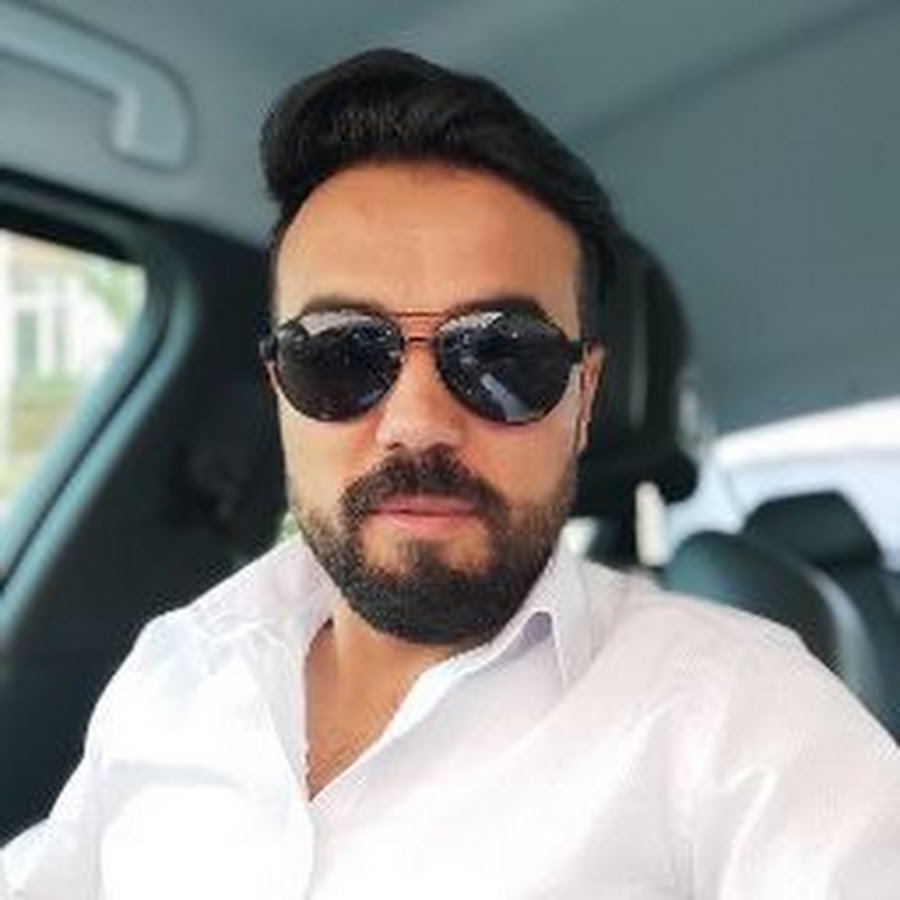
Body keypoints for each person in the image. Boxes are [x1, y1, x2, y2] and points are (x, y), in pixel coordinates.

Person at [2, 48, 898, 900]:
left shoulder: (744, 720)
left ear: (584, 398)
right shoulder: (181, 666)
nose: (419, 423)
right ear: (280, 389)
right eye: (341, 354)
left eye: (503, 356)